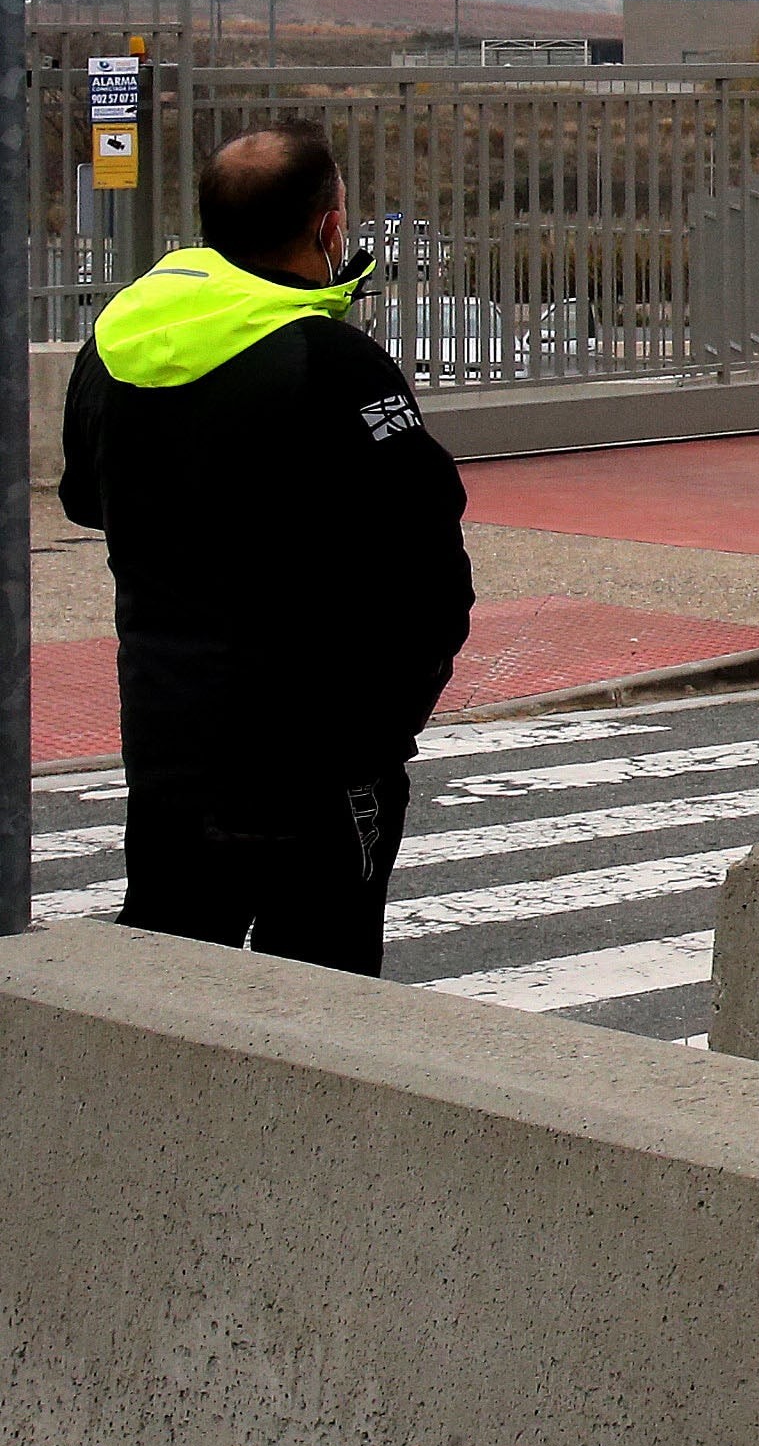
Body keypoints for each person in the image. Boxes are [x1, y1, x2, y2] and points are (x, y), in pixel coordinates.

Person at [64, 121, 473, 973]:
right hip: (319, 757)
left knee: (169, 988)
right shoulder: (333, 362)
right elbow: (433, 575)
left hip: (169, 738)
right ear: (330, 228)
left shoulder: (116, 341)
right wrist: (387, 726)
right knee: (324, 997)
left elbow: (83, 500)